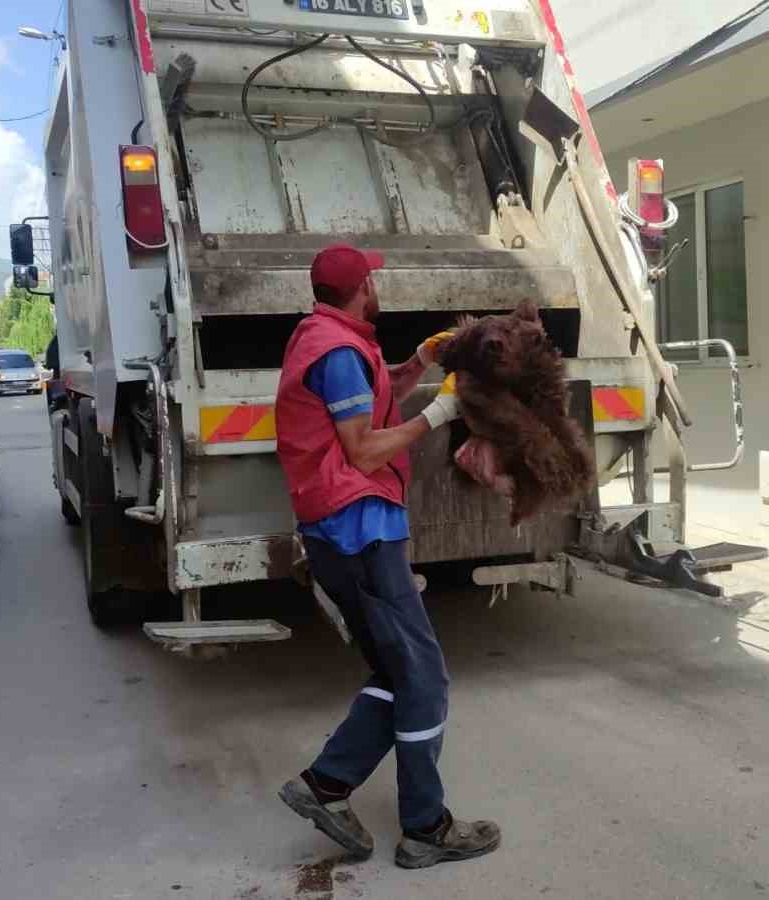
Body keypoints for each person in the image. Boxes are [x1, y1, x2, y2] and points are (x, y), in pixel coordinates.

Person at [274, 244, 500, 870]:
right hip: (360, 531)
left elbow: (375, 395)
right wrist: (443, 411)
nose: (377, 284)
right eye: (372, 277)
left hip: (342, 530)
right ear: (363, 286)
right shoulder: (339, 353)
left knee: (396, 674)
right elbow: (366, 450)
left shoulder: (327, 336)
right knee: (423, 677)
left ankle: (326, 784)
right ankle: (426, 828)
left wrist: (420, 361)